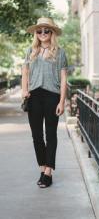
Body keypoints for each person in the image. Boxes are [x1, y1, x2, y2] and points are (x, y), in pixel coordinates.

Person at [21, 17, 68, 188]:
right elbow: (25, 73)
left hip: (52, 96)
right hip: (34, 97)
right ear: (36, 33)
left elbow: (63, 79)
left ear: (52, 32)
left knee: (51, 134)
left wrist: (62, 101)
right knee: (36, 136)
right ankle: (42, 168)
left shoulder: (60, 52)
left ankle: (48, 172)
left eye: (46, 30)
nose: (42, 33)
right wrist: (24, 91)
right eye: (39, 31)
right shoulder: (30, 51)